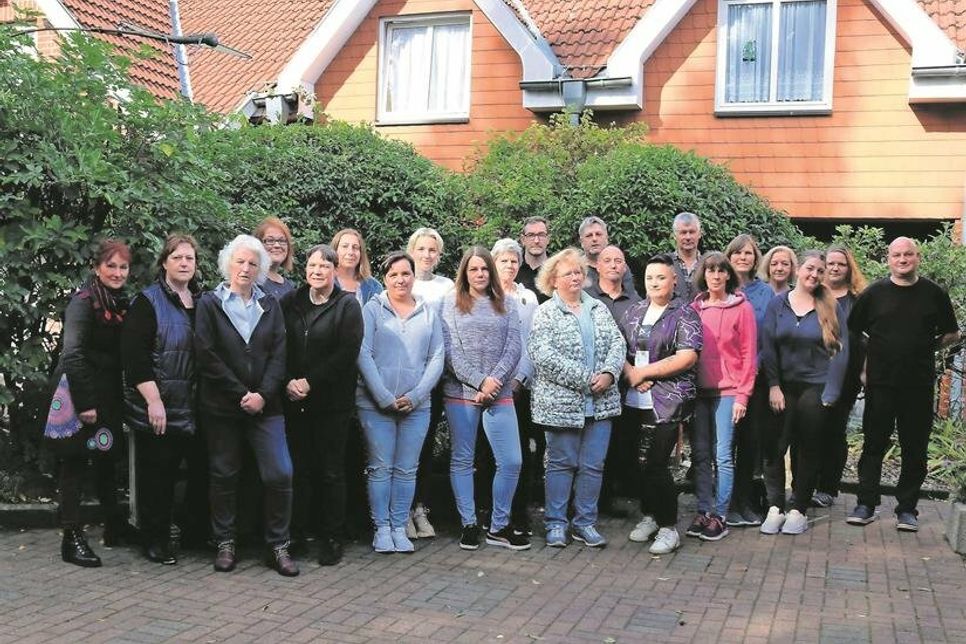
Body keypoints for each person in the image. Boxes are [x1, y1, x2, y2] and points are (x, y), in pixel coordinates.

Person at [194, 234, 297, 576]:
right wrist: (240, 393)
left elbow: (279, 355)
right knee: (224, 474)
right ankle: (225, 543)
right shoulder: (209, 303)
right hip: (222, 407)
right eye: (240, 261)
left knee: (280, 472)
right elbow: (206, 355)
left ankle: (278, 546)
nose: (246, 268)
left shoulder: (270, 305)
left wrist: (263, 395)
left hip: (266, 407)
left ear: (261, 269)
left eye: (253, 263)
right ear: (228, 265)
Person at [847, 237, 960, 531]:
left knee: (915, 447)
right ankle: (865, 504)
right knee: (873, 444)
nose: (902, 259)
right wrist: (872, 355)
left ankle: (907, 509)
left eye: (908, 254)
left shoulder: (934, 294)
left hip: (918, 384)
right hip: (881, 383)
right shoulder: (874, 293)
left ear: (917, 257)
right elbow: (854, 329)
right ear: (889, 259)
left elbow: (951, 333)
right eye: (897, 255)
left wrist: (926, 348)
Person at [529, 249, 625, 548]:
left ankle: (585, 523)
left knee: (593, 465)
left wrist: (609, 373)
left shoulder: (597, 308)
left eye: (579, 272)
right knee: (560, 464)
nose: (575, 277)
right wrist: (586, 379)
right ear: (553, 280)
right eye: (568, 273)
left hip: (601, 404)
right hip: (561, 405)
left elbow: (618, 343)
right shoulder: (545, 312)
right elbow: (542, 355)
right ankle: (556, 523)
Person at [50, 239, 132, 567]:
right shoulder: (83, 302)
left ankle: (114, 526)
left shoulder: (115, 301)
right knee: (75, 462)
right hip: (76, 395)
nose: (117, 272)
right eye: (110, 265)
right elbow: (72, 353)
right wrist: (85, 403)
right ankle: (71, 537)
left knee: (105, 457)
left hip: (105, 394)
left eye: (122, 266)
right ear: (97, 267)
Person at [122, 234, 203, 565]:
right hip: (161, 405)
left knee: (189, 474)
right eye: (177, 257)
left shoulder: (201, 300)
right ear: (164, 262)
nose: (184, 263)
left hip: (193, 405)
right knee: (157, 477)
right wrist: (154, 402)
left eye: (190, 258)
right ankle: (153, 539)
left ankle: (188, 534)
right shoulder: (147, 302)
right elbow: (135, 358)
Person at [357, 252, 445, 553]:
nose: (400, 279)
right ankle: (381, 529)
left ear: (413, 276)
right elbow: (363, 353)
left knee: (407, 469)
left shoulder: (429, 312)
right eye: (393, 274)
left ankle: (398, 527)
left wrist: (417, 396)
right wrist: (383, 396)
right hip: (375, 405)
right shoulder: (372, 309)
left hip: (416, 406)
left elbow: (437, 357)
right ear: (385, 278)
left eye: (405, 273)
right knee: (381, 468)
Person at [281, 244, 363, 565]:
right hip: (294, 401)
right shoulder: (291, 302)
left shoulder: (347, 306)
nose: (317, 271)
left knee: (331, 471)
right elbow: (278, 344)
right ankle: (297, 534)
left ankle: (332, 537)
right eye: (312, 265)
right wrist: (289, 380)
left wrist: (309, 382)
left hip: (332, 404)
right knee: (298, 470)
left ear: (334, 271)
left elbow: (346, 353)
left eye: (324, 266)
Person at [441, 247, 527, 551]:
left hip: (499, 393)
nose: (479, 274)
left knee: (512, 460)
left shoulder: (509, 304)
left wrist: (494, 382)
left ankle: (499, 525)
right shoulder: (449, 303)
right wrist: (479, 381)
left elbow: (514, 346)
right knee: (463, 459)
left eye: (484, 269)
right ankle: (468, 524)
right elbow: (450, 353)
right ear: (464, 272)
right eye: (473, 269)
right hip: (460, 394)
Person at [759, 251, 848, 535]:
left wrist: (831, 392)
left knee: (808, 447)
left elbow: (841, 352)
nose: (815, 274)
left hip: (815, 386)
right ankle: (775, 506)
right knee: (774, 445)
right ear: (799, 270)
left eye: (820, 271)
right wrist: (773, 384)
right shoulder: (777, 304)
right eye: (810, 268)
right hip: (781, 386)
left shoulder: (831, 305)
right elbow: (768, 347)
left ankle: (797, 508)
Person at [620, 254, 702, 555]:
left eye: (661, 278)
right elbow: (619, 350)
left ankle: (669, 527)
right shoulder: (634, 311)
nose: (655, 283)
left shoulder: (685, 313)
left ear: (674, 280)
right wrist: (632, 375)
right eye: (650, 278)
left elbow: (687, 356)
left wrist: (647, 372)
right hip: (634, 395)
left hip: (669, 398)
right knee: (637, 462)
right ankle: (651, 514)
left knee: (657, 463)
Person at [686, 253, 757, 542]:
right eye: (710, 271)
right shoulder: (694, 308)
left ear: (728, 275)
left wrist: (743, 395)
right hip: (699, 393)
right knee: (701, 455)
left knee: (723, 455)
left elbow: (748, 355)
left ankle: (721, 516)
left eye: (720, 271)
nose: (715, 276)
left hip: (728, 392)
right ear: (704, 275)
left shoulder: (743, 309)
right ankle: (704, 509)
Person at [585, 244, 642, 516]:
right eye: (607, 260)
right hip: (595, 381)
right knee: (594, 443)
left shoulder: (636, 302)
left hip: (627, 383)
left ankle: (613, 497)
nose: (613, 265)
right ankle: (593, 500)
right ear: (597, 266)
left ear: (625, 266)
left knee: (622, 441)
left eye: (618, 260)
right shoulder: (586, 298)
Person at [723, 234, 776, 527]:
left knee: (749, 443)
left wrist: (752, 369)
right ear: (729, 258)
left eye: (749, 254)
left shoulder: (765, 293)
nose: (743, 258)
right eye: (737, 253)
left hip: (754, 379)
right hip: (724, 381)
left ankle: (743, 502)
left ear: (756, 259)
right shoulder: (720, 289)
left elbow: (768, 337)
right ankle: (725, 502)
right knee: (725, 444)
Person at [405, 227, 454, 539]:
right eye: (421, 249)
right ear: (412, 251)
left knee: (423, 445)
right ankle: (402, 509)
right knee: (403, 447)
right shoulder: (400, 281)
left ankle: (419, 507)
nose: (426, 255)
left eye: (432, 250)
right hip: (403, 377)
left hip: (434, 379)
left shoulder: (446, 286)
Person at [489, 238, 539, 534]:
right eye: (503, 260)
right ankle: (492, 513)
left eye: (513, 261)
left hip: (519, 386)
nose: (509, 265)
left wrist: (521, 379)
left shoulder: (528, 298)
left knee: (519, 453)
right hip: (489, 387)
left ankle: (518, 513)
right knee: (489, 454)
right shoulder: (484, 295)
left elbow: (531, 342)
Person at [812, 245, 868, 507]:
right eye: (830, 263)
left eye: (840, 264)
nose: (835, 268)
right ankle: (806, 483)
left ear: (849, 268)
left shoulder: (858, 300)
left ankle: (827, 487)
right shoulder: (812, 295)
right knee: (811, 430)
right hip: (812, 373)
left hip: (846, 375)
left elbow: (869, 340)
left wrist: (865, 370)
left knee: (834, 431)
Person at [578, 217, 636, 296]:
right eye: (589, 236)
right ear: (581, 242)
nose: (594, 239)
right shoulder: (576, 269)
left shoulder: (620, 267)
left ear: (606, 239)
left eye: (598, 234)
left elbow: (631, 298)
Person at [332, 228, 383, 305]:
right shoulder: (325, 283)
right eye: (345, 246)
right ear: (335, 251)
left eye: (355, 247)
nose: (350, 252)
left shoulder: (374, 287)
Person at [254, 217, 296, 299]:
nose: (277, 245)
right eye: (270, 240)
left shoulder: (289, 287)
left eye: (282, 241)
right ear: (258, 245)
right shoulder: (251, 281)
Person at [670, 212, 703, 303]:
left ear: (699, 234)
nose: (688, 237)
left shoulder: (708, 264)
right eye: (683, 232)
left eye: (692, 232)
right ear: (675, 236)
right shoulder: (664, 263)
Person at [517, 216, 550, 303]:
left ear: (548, 239)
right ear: (523, 240)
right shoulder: (513, 269)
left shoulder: (558, 270)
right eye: (531, 235)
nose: (536, 240)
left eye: (541, 235)